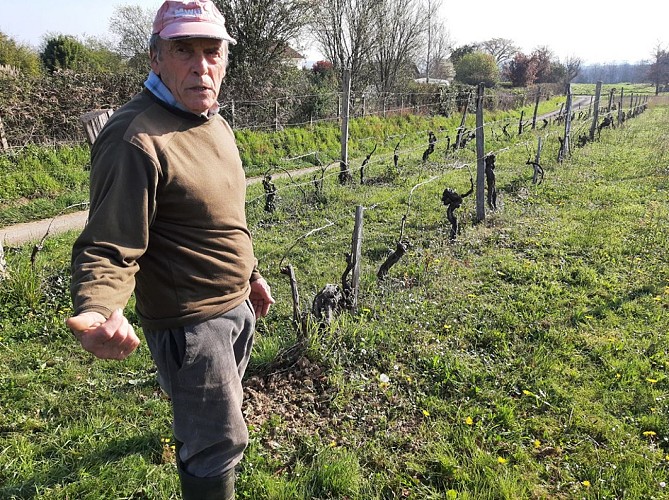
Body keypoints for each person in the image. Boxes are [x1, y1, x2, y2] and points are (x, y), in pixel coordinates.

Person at [66, 1, 274, 498]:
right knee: (218, 442)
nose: (201, 65)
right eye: (184, 50)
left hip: (234, 307)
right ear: (156, 57)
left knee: (212, 421)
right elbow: (109, 243)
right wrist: (98, 309)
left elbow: (222, 216)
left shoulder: (211, 120)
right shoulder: (135, 138)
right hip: (192, 324)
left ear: (225, 59)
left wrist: (251, 274)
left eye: (211, 51)